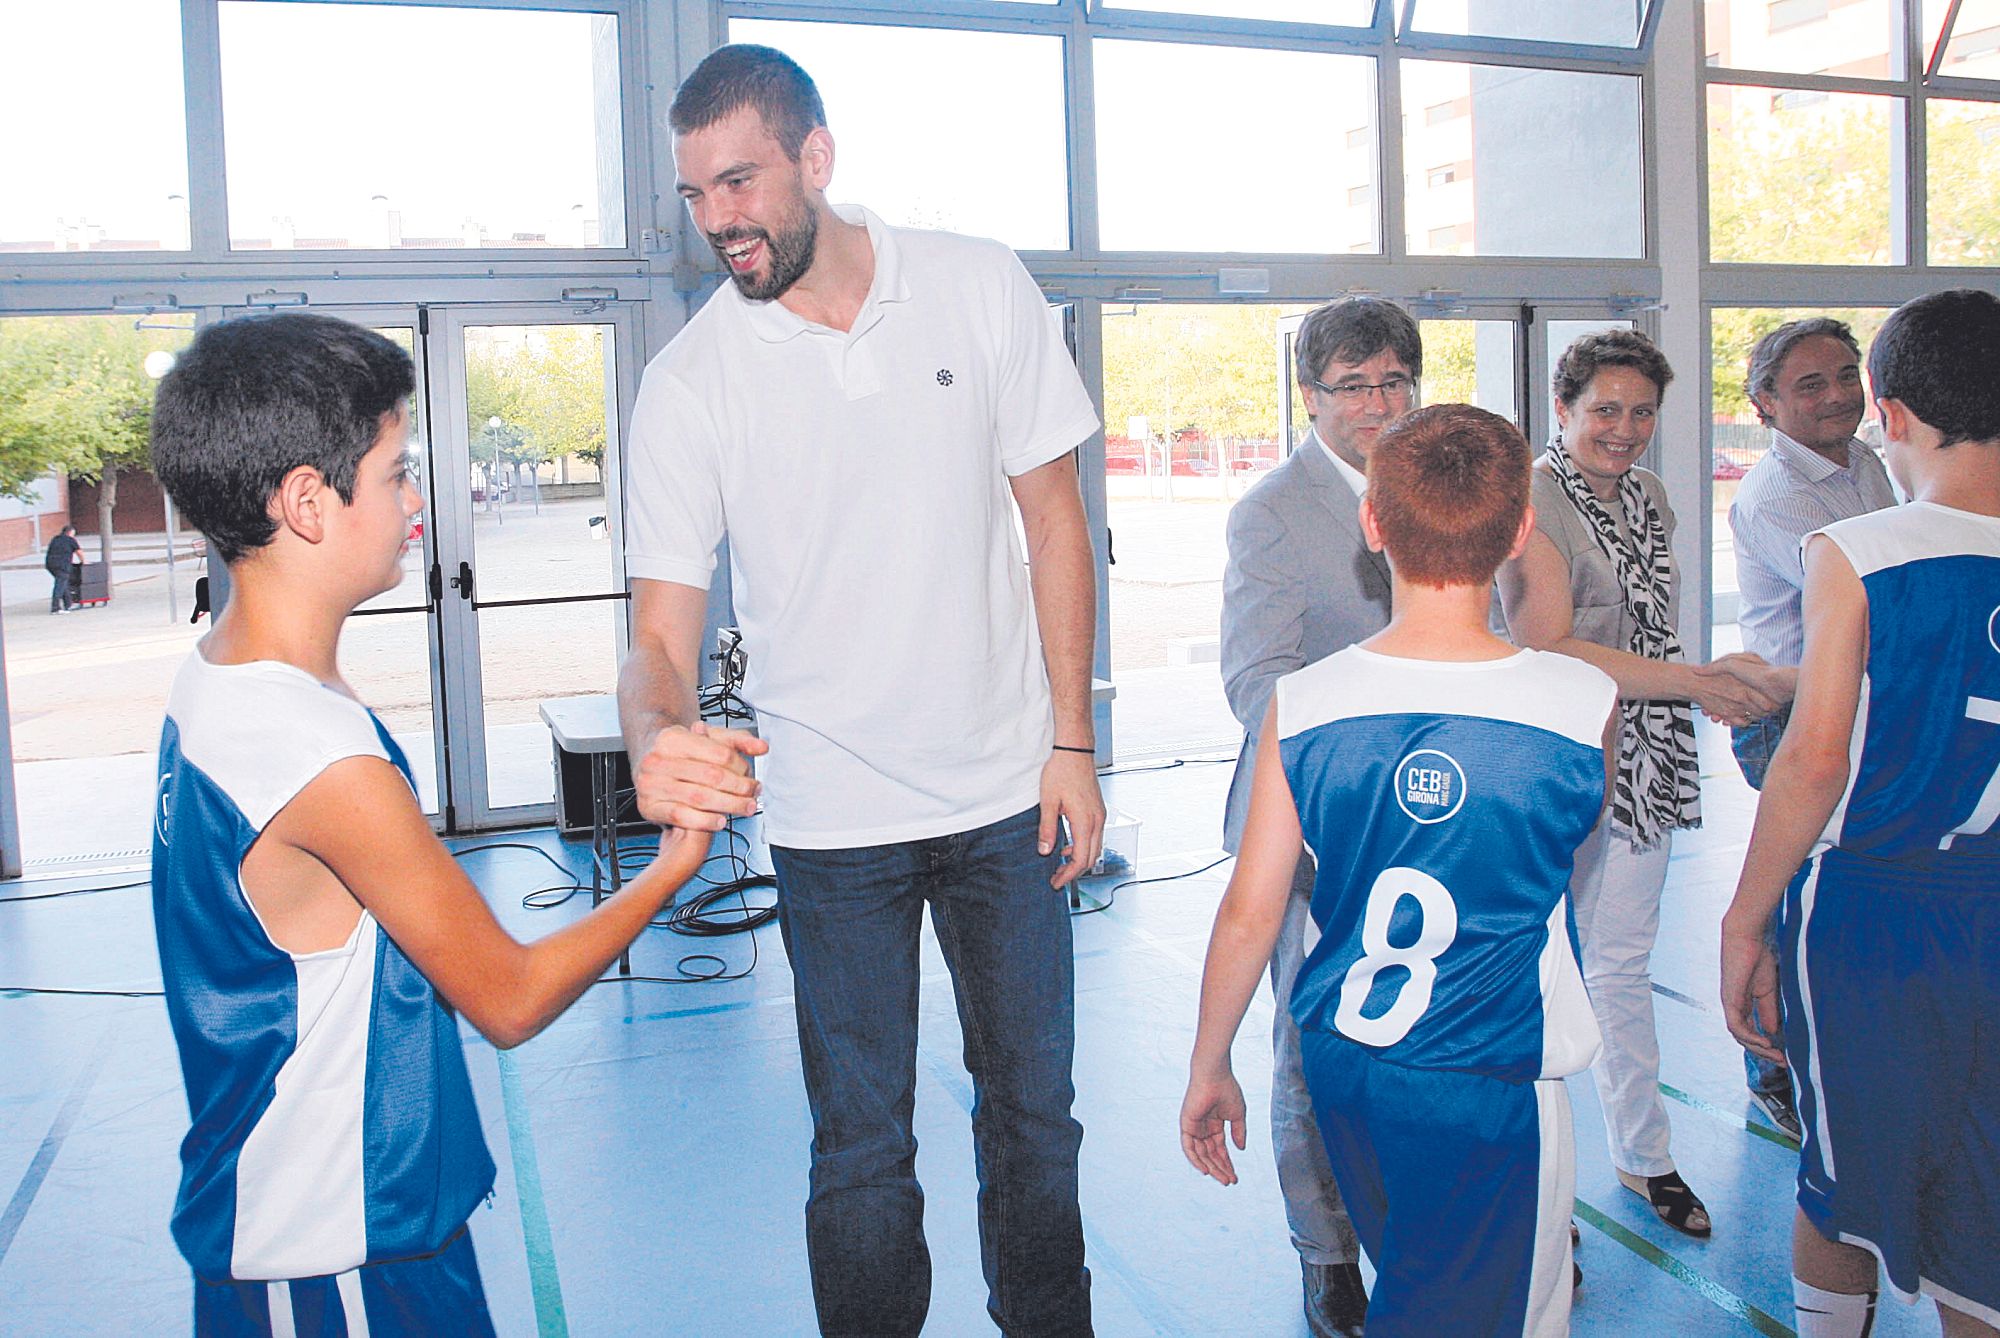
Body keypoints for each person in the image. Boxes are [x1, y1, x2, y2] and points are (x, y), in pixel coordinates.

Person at [617, 45, 1102, 1338]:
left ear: (814, 160)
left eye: (739, 180)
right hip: (831, 823)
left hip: (1008, 794)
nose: (718, 218)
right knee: (860, 1148)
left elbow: (1054, 520)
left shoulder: (976, 283)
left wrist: (1074, 739)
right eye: (695, 194)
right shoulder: (688, 385)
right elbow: (656, 639)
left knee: (1034, 1117)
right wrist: (655, 734)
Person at [146, 312, 735, 1337]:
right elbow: (507, 998)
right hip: (333, 1258)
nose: (416, 498)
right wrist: (674, 859)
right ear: (305, 502)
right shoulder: (314, 754)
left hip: (353, 1231)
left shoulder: (226, 681)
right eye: (393, 471)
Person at [1185, 403, 1615, 1337]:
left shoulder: (1301, 703)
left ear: (1372, 524)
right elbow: (1562, 849)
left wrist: (1209, 1059)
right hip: (1486, 1070)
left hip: (1347, 1061)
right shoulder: (1583, 702)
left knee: (1415, 1273)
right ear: (1521, 531)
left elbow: (1252, 912)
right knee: (1487, 1314)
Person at [1721, 287, 2000, 1338]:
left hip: (1873, 913)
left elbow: (1811, 761)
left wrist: (1743, 918)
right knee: (1983, 1205)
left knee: (1837, 1179)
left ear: (1889, 410)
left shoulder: (1861, 551)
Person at [1499, 328, 1779, 1239]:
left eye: (1643, 411)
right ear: (1564, 410)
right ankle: (1540, 1197)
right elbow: (1548, 646)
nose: (1625, 429)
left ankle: (1645, 1154)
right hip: (1550, 768)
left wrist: (1704, 678)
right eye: (1605, 410)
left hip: (1644, 762)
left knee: (1620, 967)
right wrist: (1700, 682)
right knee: (1529, 981)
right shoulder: (1531, 499)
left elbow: (1646, 633)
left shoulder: (1651, 494)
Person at [1216, 296, 1423, 1337]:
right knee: (1314, 1053)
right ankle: (1324, 1251)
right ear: (1310, 396)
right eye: (1352, 387)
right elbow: (1256, 683)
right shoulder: (1271, 512)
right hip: (1312, 831)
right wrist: (1362, 748)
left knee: (1422, 1042)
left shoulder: (1439, 482)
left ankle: (1417, 1228)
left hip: (1434, 825)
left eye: (1392, 382)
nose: (1376, 406)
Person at [1724, 317, 1897, 1140]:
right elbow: (1871, 608)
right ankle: (1773, 1069)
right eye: (1808, 385)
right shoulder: (1778, 496)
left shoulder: (1867, 461)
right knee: (1792, 902)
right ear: (1765, 405)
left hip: (1856, 706)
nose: (1835, 395)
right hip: (1790, 721)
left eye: (1844, 375)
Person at [44, 523, 82, 613]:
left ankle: (68, 604)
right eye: (73, 534)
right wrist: (84, 562)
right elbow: (79, 552)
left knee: (63, 583)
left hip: (50, 565)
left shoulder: (55, 539)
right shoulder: (70, 540)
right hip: (62, 565)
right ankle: (55, 608)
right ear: (70, 533)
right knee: (60, 585)